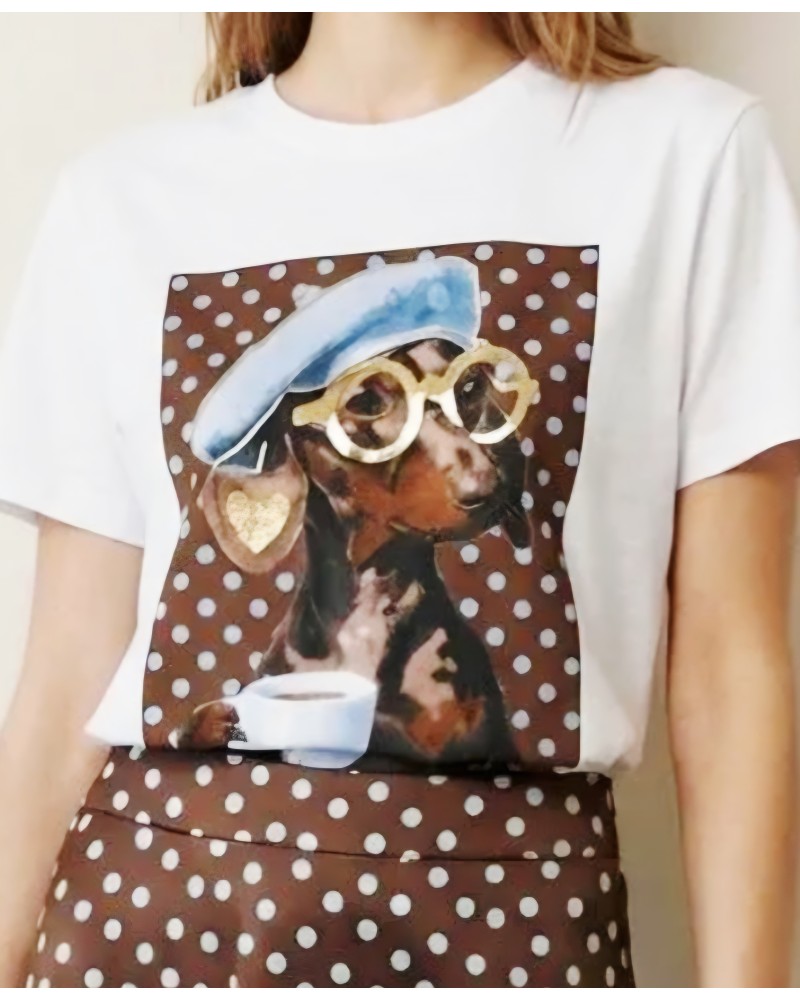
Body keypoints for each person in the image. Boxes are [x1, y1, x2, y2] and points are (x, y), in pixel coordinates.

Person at [0, 12, 797, 989]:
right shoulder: (121, 198)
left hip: (506, 919)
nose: (465, 466)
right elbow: (66, 676)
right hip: (154, 913)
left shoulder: (687, 152)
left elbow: (727, 665)